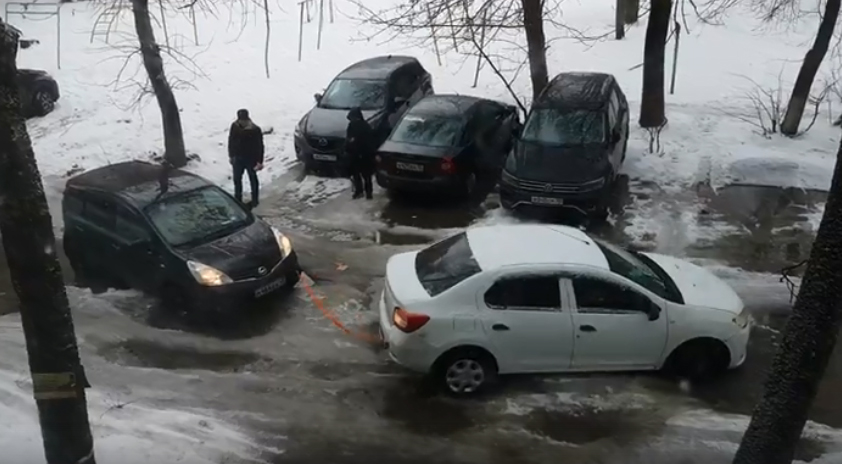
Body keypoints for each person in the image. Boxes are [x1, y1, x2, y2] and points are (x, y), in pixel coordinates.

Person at [228, 109, 265, 208]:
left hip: (251, 158)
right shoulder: (234, 126)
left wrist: (260, 161)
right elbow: (231, 141)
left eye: (243, 120)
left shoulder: (255, 129)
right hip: (237, 158)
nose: (242, 122)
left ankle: (255, 200)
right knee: (237, 179)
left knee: (252, 178)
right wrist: (231, 155)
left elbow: (260, 146)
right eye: (240, 120)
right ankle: (238, 199)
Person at [345, 107, 375, 200]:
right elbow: (348, 139)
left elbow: (368, 142)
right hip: (356, 154)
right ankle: (360, 191)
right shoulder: (354, 126)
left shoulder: (364, 127)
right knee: (357, 174)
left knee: (365, 175)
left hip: (364, 155)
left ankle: (367, 192)